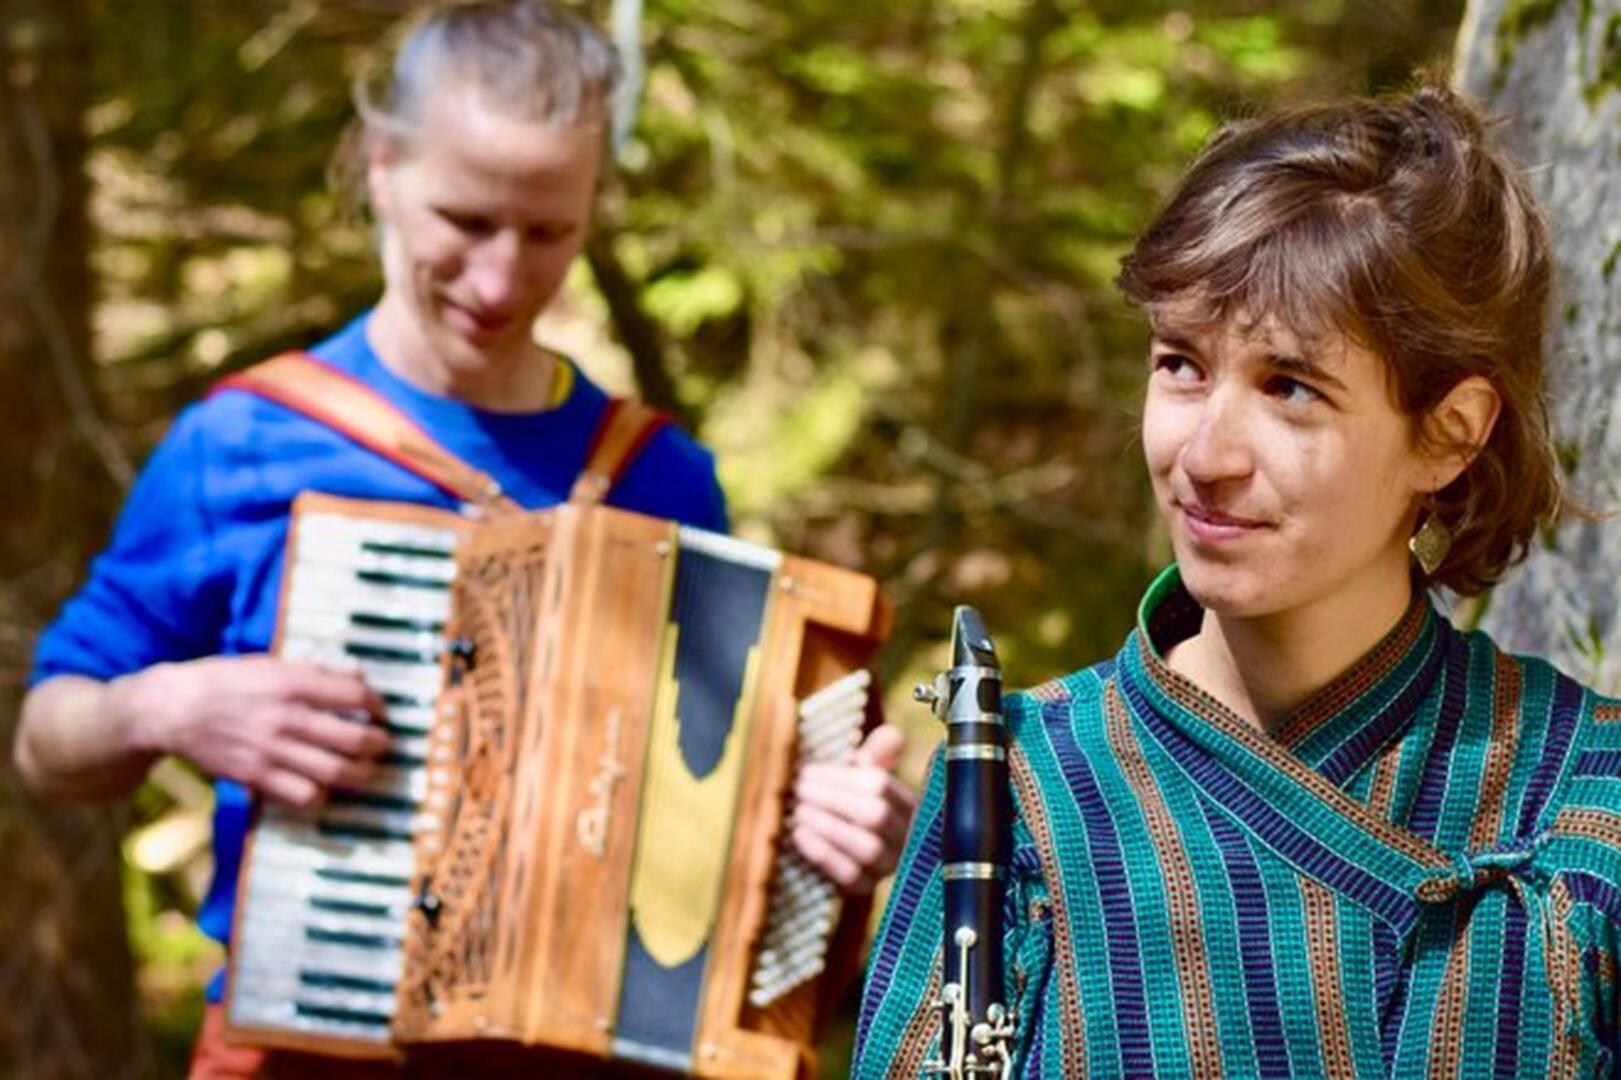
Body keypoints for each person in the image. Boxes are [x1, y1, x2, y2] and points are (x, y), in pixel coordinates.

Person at [12, 2, 915, 1074]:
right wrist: (161, 704)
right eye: (466, 220)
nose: (499, 279)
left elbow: (706, 865)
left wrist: (822, 837)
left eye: (548, 233)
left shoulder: (664, 480)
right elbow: (45, 742)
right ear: (381, 165)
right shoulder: (244, 442)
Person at [855, 83, 1621, 1078]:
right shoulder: (1025, 793)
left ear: (1450, 432)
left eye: (1289, 387)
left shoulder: (1580, 798)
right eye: (1178, 364)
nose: (1204, 454)